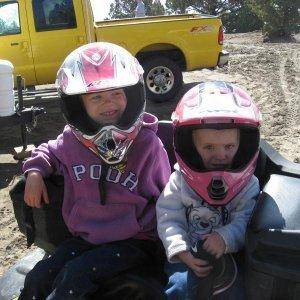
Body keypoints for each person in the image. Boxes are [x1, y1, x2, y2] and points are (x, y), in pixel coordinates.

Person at [19, 42, 171, 299]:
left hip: (136, 240)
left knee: (75, 278)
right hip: (87, 238)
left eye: (116, 93)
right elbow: (48, 151)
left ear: (131, 95)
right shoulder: (71, 141)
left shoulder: (147, 145)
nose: (108, 102)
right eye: (96, 97)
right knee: (39, 276)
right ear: (79, 105)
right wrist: (34, 171)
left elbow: (168, 195)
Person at [156, 81, 261, 299]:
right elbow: (168, 218)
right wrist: (182, 251)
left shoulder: (248, 184)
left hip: (229, 254)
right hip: (187, 257)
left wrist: (224, 238)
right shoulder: (179, 180)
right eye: (209, 147)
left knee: (240, 290)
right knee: (179, 289)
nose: (220, 155)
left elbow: (246, 221)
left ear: (243, 145)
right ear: (191, 147)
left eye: (229, 147)